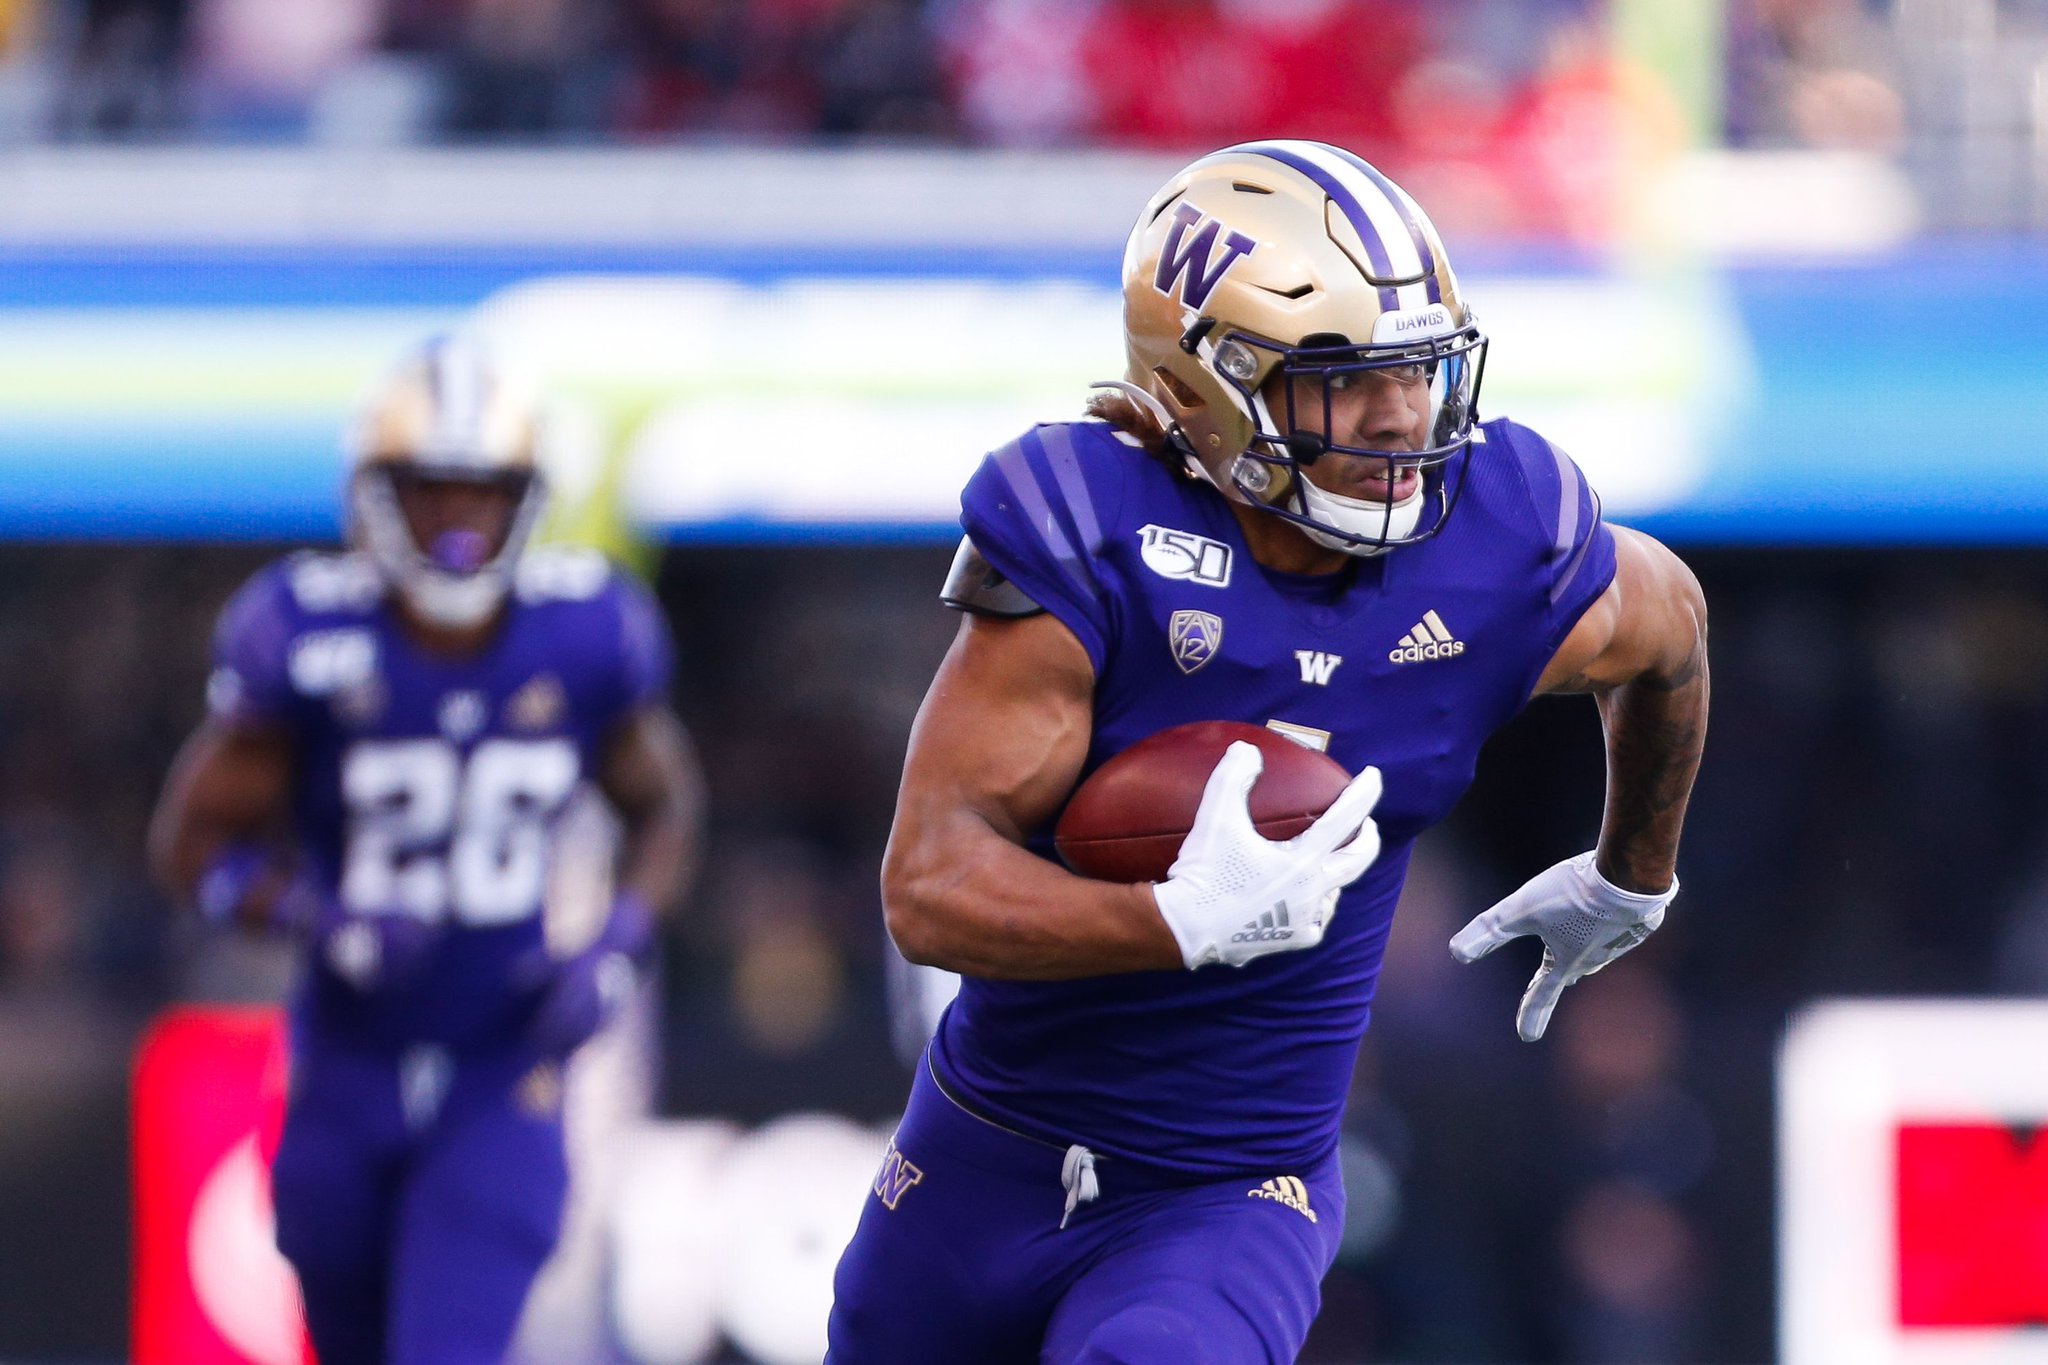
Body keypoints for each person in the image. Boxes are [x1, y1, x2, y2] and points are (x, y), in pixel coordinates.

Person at [826, 140, 1709, 1362]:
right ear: (1206, 385)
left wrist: (1630, 874)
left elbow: (1671, 630)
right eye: (1345, 379)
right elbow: (926, 887)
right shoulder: (1096, 537)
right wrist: (1175, 919)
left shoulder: (1495, 542)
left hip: (1231, 1189)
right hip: (981, 1157)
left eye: (1416, 370)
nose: (1401, 415)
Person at [148, 335, 702, 1365]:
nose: (458, 523)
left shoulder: (585, 631)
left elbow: (663, 809)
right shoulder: (305, 635)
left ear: (524, 502)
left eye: (482, 494)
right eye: (431, 493)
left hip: (506, 1056)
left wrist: (616, 942)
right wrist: (308, 915)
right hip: (345, 1060)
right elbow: (191, 842)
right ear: (376, 499)